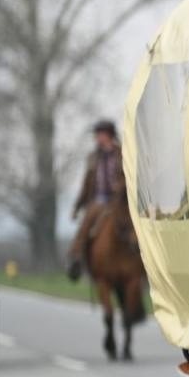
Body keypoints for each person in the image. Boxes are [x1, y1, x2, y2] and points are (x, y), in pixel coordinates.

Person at [65, 120, 125, 280]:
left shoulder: (122, 154)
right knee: (86, 222)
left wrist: (120, 186)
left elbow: (130, 177)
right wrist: (77, 207)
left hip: (120, 199)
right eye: (97, 135)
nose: (98, 138)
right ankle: (76, 257)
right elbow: (86, 184)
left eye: (101, 134)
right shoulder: (93, 157)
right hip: (99, 199)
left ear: (109, 135)